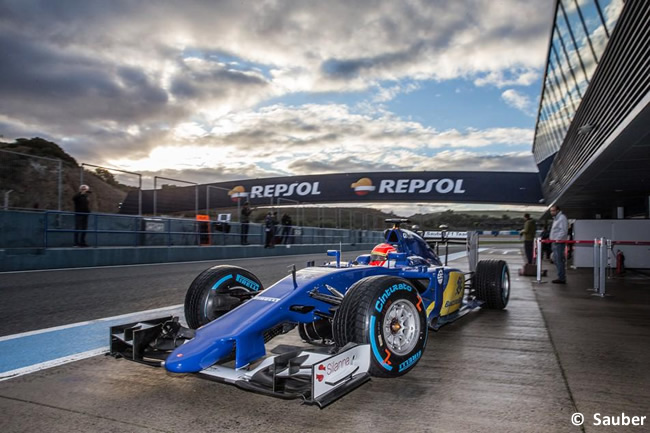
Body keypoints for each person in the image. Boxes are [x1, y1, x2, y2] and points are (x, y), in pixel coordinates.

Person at [549, 205, 569, 284]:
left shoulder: (562, 218)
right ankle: (561, 276)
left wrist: (557, 239)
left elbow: (563, 231)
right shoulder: (556, 218)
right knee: (556, 259)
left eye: (553, 210)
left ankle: (561, 278)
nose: (551, 212)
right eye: (551, 211)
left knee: (559, 260)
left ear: (557, 210)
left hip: (558, 242)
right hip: (555, 242)